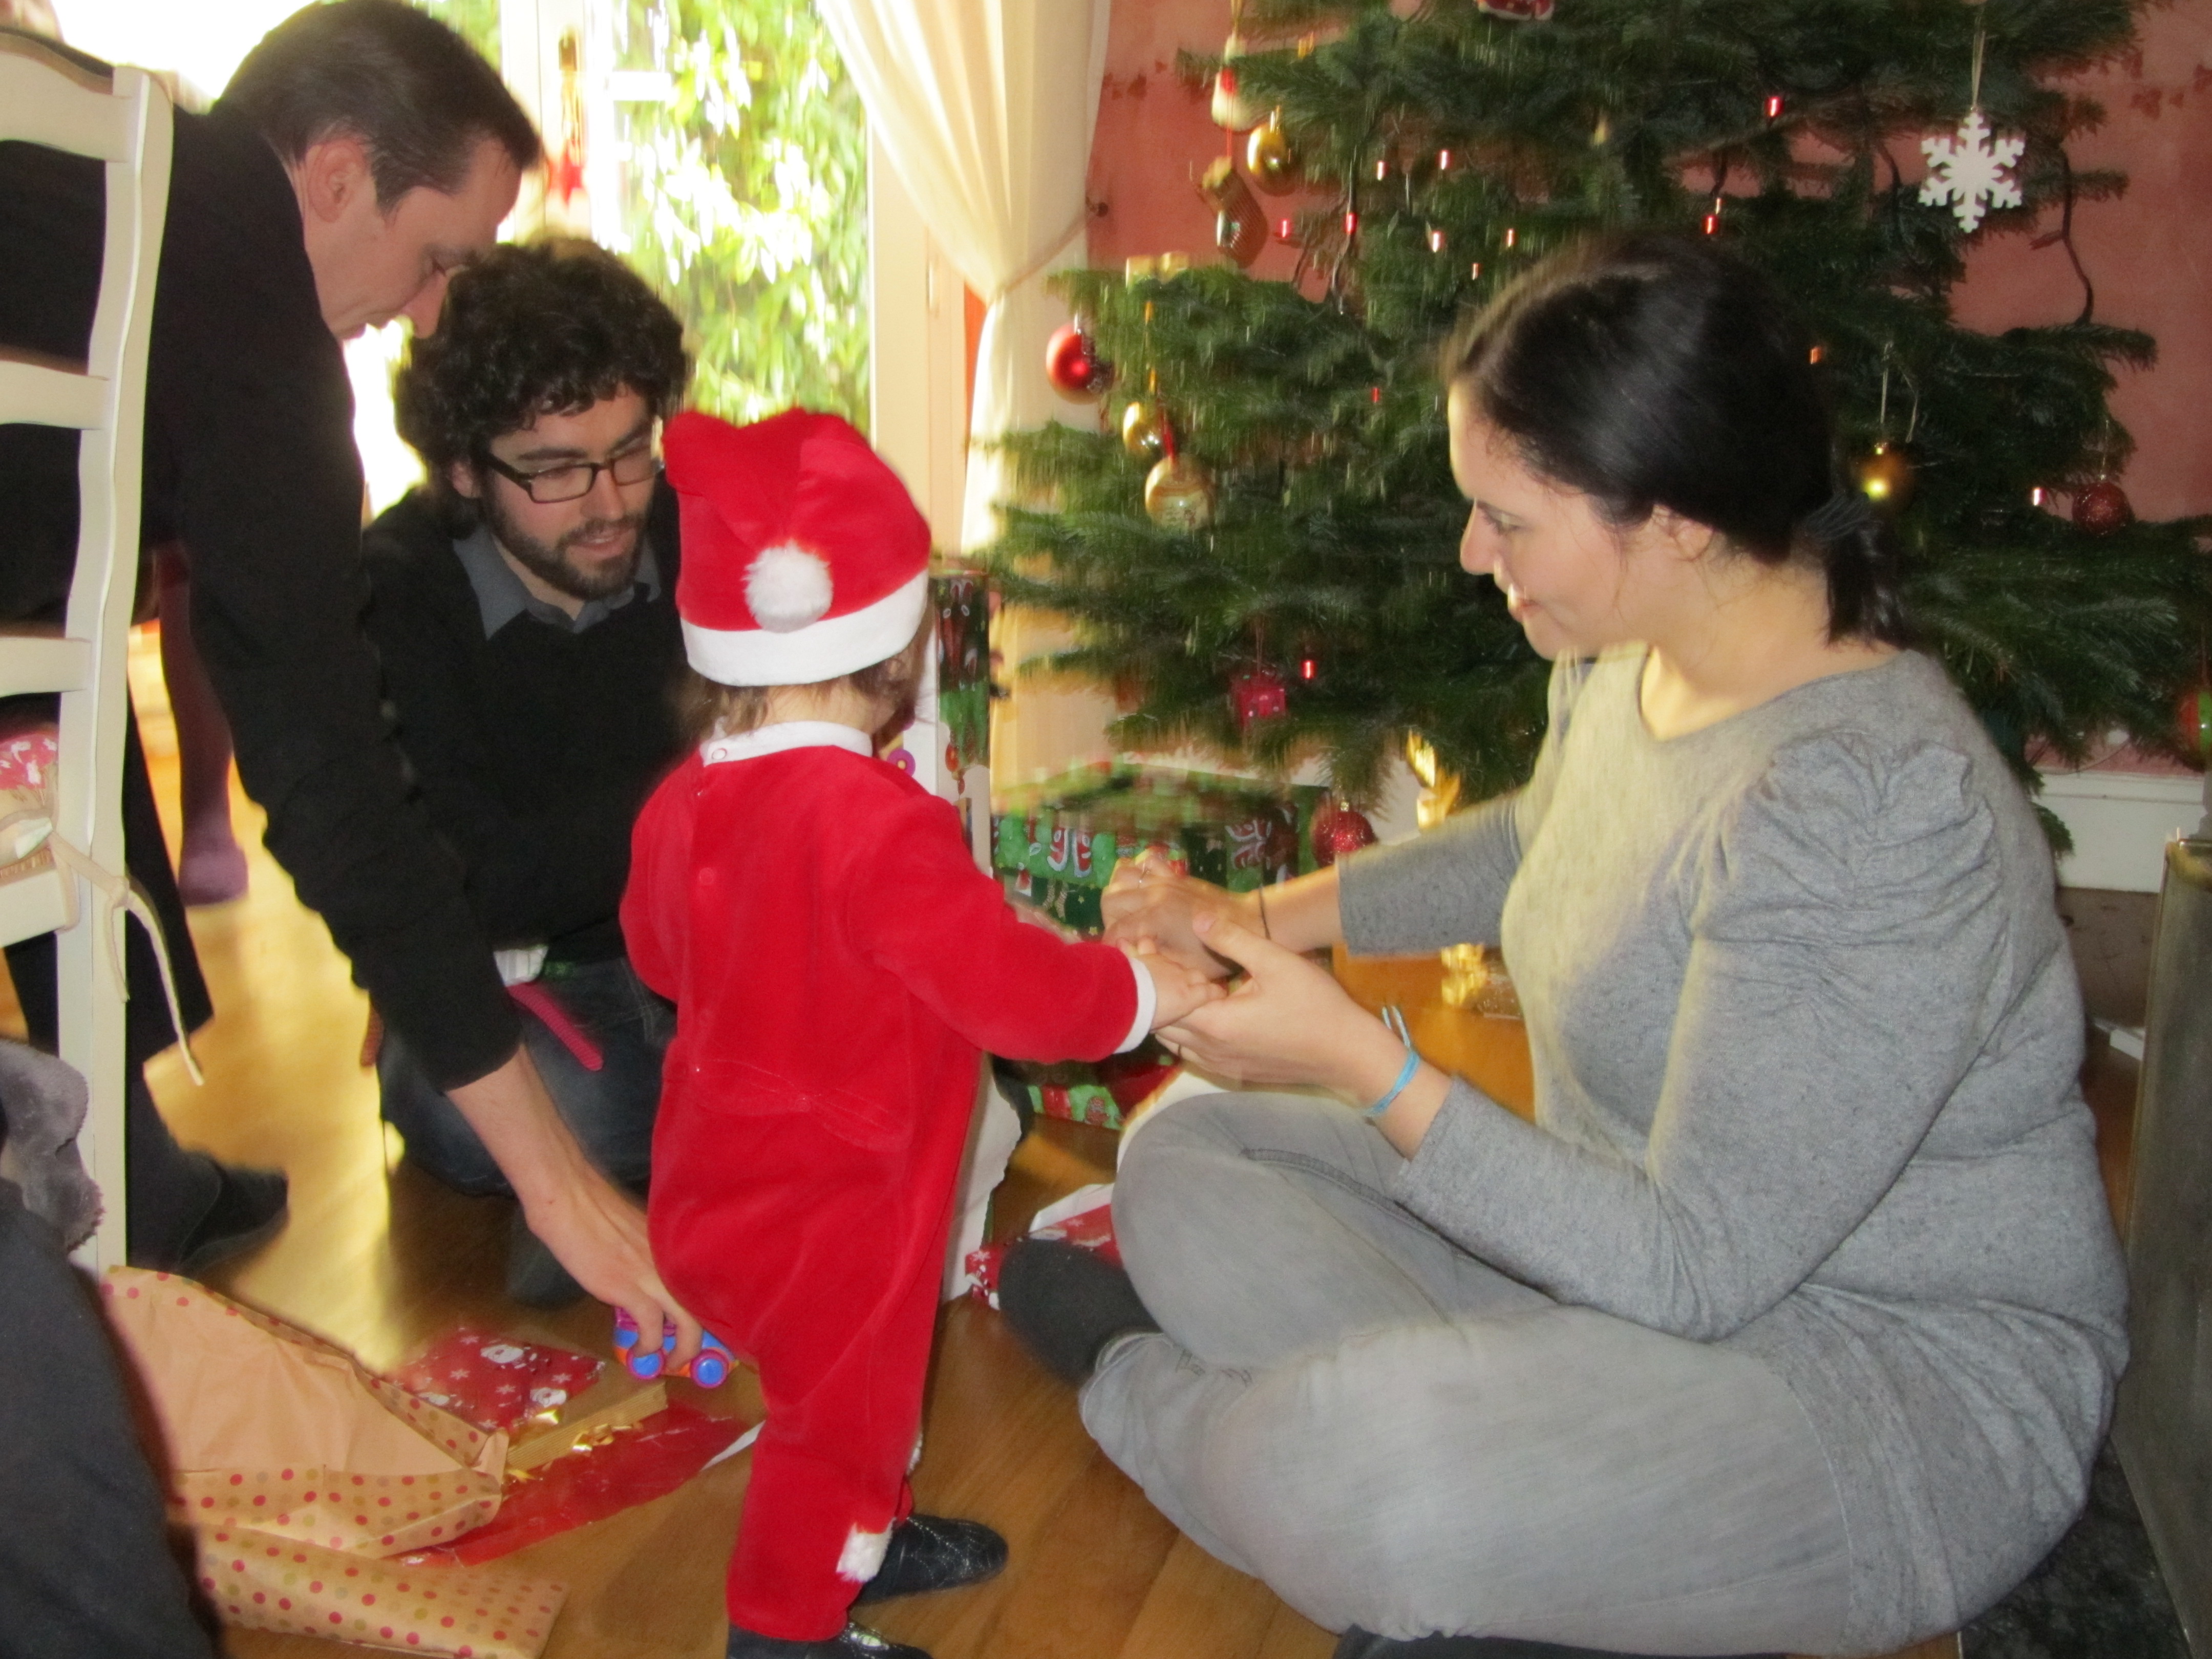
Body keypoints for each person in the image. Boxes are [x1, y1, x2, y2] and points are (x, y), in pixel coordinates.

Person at [1005, 234, 2129, 1659]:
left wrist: (1361, 1063)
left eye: (1507, 520)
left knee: (1365, 1484)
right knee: (1186, 1155)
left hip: (1884, 1394)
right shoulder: (1631, 658)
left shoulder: (1876, 807)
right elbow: (1541, 839)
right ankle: (1479, 1523)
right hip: (1611, 1282)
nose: (1474, 555)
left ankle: (1152, 1387)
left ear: (1677, 521)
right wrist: (1251, 923)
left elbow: (1697, 1267)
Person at [0, 0, 694, 1343]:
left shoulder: (88, 154)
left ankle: (128, 1145)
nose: (433, 315)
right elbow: (328, 769)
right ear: (331, 176)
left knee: (64, 681)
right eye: (437, 261)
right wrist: (557, 1188)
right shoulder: (255, 295)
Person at [621, 408, 1222, 1659]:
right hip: (842, 1202)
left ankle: (868, 1535)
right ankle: (783, 1628)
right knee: (835, 1423)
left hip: (714, 1181)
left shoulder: (683, 800)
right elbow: (1020, 998)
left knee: (853, 1400)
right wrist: (1145, 989)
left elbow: (657, 956)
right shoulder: (878, 824)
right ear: (898, 656)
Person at [363, 238, 689, 1306]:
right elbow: (483, 881)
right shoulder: (397, 593)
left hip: (706, 962)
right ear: (464, 468)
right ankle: (702, 1143)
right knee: (471, 1104)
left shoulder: (687, 525)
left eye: (630, 451)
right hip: (532, 995)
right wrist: (709, 795)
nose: (610, 502)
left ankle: (661, 1159)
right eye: (555, 471)